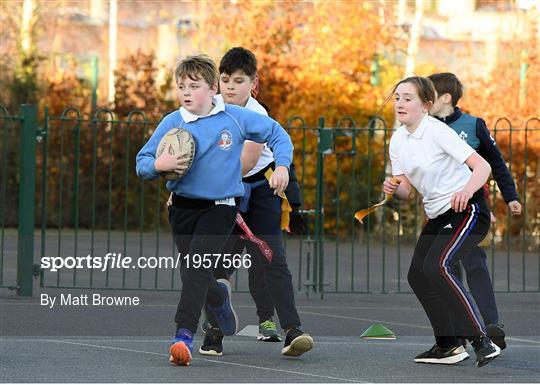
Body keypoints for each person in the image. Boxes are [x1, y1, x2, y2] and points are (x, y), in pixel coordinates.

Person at [135, 54, 293, 367]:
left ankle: (183, 336)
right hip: (182, 207)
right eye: (181, 86)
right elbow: (142, 162)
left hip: (220, 208)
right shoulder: (173, 121)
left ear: (212, 88)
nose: (186, 92)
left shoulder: (234, 117)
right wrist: (158, 165)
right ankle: (218, 299)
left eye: (193, 86)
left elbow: (278, 134)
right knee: (193, 271)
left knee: (196, 266)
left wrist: (283, 166)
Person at [199, 47, 313, 358]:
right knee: (215, 265)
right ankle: (214, 331)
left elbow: (247, 162)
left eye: (239, 80)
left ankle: (292, 330)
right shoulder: (209, 108)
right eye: (225, 80)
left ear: (254, 85)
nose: (231, 86)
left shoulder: (257, 115)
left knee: (272, 260)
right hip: (224, 191)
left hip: (258, 191)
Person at [383, 76, 500, 367]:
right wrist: (393, 188)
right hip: (438, 215)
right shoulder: (398, 139)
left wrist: (466, 190)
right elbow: (406, 191)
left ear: (426, 105)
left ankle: (481, 340)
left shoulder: (438, 132)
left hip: (469, 211)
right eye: (397, 97)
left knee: (438, 266)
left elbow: (482, 166)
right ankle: (448, 345)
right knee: (418, 274)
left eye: (408, 98)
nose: (400, 103)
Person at [428, 72, 521, 350]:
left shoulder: (473, 125)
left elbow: (496, 163)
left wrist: (510, 197)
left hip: (471, 206)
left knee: (474, 262)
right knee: (445, 268)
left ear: (445, 98)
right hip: (440, 210)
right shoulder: (426, 128)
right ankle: (458, 331)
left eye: (429, 93)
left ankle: (491, 325)